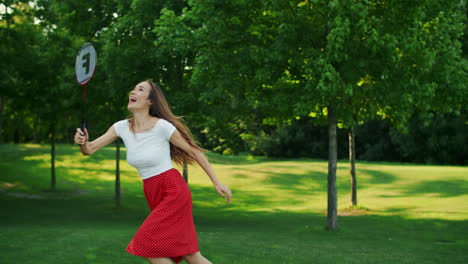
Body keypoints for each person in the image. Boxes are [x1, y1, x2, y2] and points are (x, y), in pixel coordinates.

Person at [74, 80, 232, 264]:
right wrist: (83, 142)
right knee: (191, 254)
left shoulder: (162, 127)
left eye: (140, 89)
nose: (132, 92)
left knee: (147, 245)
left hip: (173, 190)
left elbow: (194, 151)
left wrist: (217, 182)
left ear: (150, 101)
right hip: (152, 192)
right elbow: (89, 150)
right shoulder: (121, 127)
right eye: (133, 89)